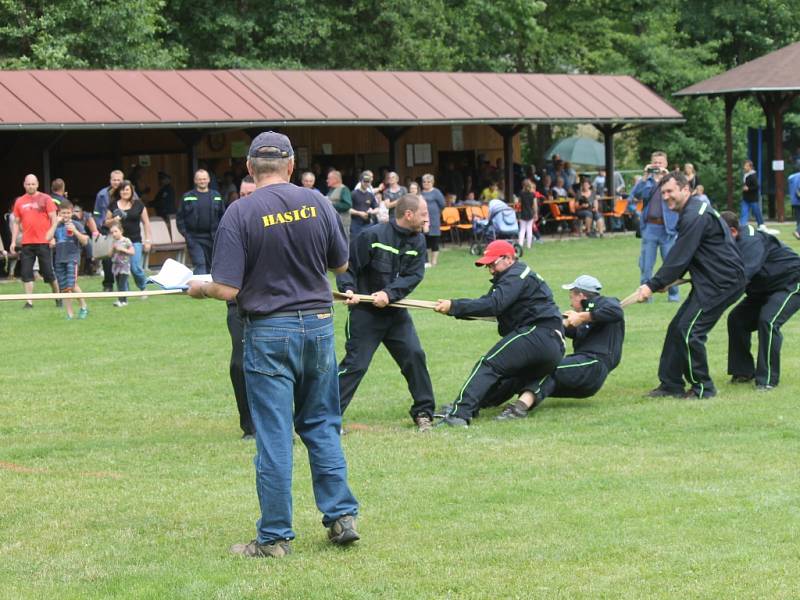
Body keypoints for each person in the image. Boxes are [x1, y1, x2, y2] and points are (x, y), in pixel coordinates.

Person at [187, 131, 359, 558]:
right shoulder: (318, 201)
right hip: (318, 326)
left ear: (249, 168)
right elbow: (340, 264)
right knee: (322, 425)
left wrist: (197, 288)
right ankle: (341, 517)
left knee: (275, 436)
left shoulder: (239, 212)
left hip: (269, 332)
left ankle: (274, 538)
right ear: (290, 166)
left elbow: (226, 289)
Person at [635, 172, 745, 399]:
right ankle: (670, 384)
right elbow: (692, 255)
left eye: (670, 191)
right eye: (663, 193)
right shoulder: (693, 211)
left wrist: (652, 285)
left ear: (686, 189)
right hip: (709, 281)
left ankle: (703, 388)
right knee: (677, 328)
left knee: (690, 332)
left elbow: (679, 256)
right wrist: (667, 281)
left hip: (721, 283)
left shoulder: (694, 215)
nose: (666, 197)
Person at [433, 240, 565, 427]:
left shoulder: (516, 274)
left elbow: (494, 305)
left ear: (509, 259)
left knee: (488, 365)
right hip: (553, 345)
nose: (491, 270)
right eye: (488, 266)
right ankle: (471, 406)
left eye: (493, 264)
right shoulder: (512, 277)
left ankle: (459, 414)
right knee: (510, 379)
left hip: (539, 333)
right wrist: (454, 310)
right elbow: (488, 305)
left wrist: (454, 306)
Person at [336, 193, 435, 432]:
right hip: (365, 313)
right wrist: (348, 290)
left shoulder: (418, 241)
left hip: (395, 313)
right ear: (408, 214)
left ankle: (424, 412)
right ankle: (326, 418)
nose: (427, 219)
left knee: (414, 356)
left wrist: (389, 294)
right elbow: (346, 267)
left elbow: (413, 276)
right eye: (423, 214)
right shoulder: (372, 235)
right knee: (355, 365)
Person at [494, 275, 624, 420]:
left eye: (571, 297)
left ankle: (518, 409)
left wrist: (581, 317)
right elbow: (566, 329)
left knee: (548, 370)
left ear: (581, 295)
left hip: (593, 366)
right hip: (581, 368)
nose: (570, 302)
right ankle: (484, 401)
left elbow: (616, 311)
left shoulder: (605, 303)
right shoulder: (587, 319)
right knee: (527, 371)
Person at [720, 211, 800, 390]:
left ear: (733, 232)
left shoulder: (751, 242)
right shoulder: (731, 244)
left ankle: (768, 380)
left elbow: (742, 277)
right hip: (764, 288)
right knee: (737, 319)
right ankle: (743, 372)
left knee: (769, 321)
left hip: (791, 282)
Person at [226, 176, 257, 440]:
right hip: (237, 304)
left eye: (251, 194)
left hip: (269, 304)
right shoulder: (232, 221)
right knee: (240, 363)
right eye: (242, 194)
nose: (245, 199)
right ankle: (249, 425)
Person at [629, 151, 680, 302]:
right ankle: (645, 297)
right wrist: (644, 177)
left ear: (666, 164)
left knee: (670, 264)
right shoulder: (647, 181)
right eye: (655, 163)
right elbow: (634, 195)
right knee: (646, 265)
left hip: (667, 228)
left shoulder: (672, 181)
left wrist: (668, 176)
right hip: (650, 227)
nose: (657, 165)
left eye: (660, 163)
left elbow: (681, 195)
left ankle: (674, 295)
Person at [10, 174, 59, 308]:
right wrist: (13, 241)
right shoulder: (20, 201)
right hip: (27, 243)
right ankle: (29, 302)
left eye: (33, 184)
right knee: (26, 273)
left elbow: (54, 219)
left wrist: (51, 235)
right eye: (28, 184)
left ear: (37, 184)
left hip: (43, 241)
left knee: (48, 273)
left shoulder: (46, 198)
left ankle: (58, 297)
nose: (30, 186)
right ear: (24, 185)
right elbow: (16, 222)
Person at [105, 180, 152, 294]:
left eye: (127, 189)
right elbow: (106, 222)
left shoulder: (139, 204)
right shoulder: (113, 205)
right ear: (119, 191)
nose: (124, 192)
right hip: (118, 241)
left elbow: (146, 223)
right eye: (122, 189)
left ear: (131, 191)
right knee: (121, 269)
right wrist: (113, 220)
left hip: (135, 240)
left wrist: (148, 240)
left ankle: (143, 287)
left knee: (135, 268)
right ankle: (124, 293)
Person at [176, 169, 225, 275]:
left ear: (208, 180)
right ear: (195, 180)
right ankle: (200, 289)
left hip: (213, 238)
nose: (202, 181)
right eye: (199, 179)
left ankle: (208, 290)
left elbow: (223, 217)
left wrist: (220, 234)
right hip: (194, 238)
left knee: (211, 266)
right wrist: (186, 235)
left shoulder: (216, 196)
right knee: (200, 263)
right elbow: (180, 219)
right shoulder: (187, 197)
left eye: (204, 179)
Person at [52, 200, 89, 319]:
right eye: (63, 213)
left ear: (72, 212)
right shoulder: (56, 225)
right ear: (59, 213)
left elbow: (85, 241)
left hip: (72, 258)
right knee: (64, 288)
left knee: (72, 285)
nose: (66, 215)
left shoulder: (76, 224)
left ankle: (83, 306)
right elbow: (48, 238)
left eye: (68, 213)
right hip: (59, 259)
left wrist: (75, 231)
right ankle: (70, 313)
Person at [95, 169, 125, 292]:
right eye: (114, 180)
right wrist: (99, 226)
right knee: (107, 259)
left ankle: (122, 285)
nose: (116, 182)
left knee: (122, 258)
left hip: (123, 230)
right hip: (106, 230)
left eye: (119, 180)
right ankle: (108, 284)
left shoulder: (130, 192)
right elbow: (96, 213)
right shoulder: (102, 194)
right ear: (110, 180)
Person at [420, 173, 445, 267]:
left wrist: (436, 213)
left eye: (428, 181)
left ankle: (434, 261)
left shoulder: (436, 192)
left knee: (434, 240)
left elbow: (442, 204)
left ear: (432, 182)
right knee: (424, 241)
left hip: (434, 220)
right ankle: (426, 261)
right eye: (424, 182)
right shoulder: (420, 193)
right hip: (423, 221)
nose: (426, 183)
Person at [109, 222, 134, 307]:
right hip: (116, 266)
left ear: (121, 231)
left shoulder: (126, 241)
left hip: (124, 266)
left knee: (122, 283)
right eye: (112, 232)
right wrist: (112, 249)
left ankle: (122, 301)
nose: (114, 234)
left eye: (115, 231)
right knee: (118, 283)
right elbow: (109, 255)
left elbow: (132, 252)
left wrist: (123, 249)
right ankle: (122, 301)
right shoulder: (113, 242)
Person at [350, 170, 378, 238]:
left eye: (368, 181)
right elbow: (348, 209)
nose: (366, 183)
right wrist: (359, 213)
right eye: (365, 181)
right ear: (361, 181)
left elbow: (377, 208)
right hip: (356, 224)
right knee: (355, 244)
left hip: (367, 223)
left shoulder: (370, 195)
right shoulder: (353, 193)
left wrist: (372, 211)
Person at [327, 170, 352, 239]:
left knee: (343, 243)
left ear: (335, 179)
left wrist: (331, 204)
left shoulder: (344, 189)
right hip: (334, 223)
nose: (327, 180)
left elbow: (347, 205)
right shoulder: (331, 190)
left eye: (329, 178)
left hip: (342, 223)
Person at [740, 159, 764, 229]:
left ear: (750, 167)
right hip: (746, 198)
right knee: (744, 213)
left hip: (753, 199)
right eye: (744, 166)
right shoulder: (745, 175)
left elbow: (757, 186)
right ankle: (742, 226)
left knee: (757, 212)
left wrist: (748, 189)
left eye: (746, 166)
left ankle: (761, 225)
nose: (744, 167)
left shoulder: (753, 176)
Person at [517, 179, 537, 249]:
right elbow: (534, 205)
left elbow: (519, 203)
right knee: (529, 230)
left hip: (523, 213)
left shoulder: (521, 194)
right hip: (530, 213)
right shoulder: (533, 194)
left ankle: (520, 244)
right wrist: (535, 213)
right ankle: (528, 245)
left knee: (522, 229)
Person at [787, 169, 800, 241]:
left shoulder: (792, 177)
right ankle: (797, 231)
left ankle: (798, 234)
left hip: (794, 201)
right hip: (798, 200)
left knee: (798, 219)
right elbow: (798, 189)